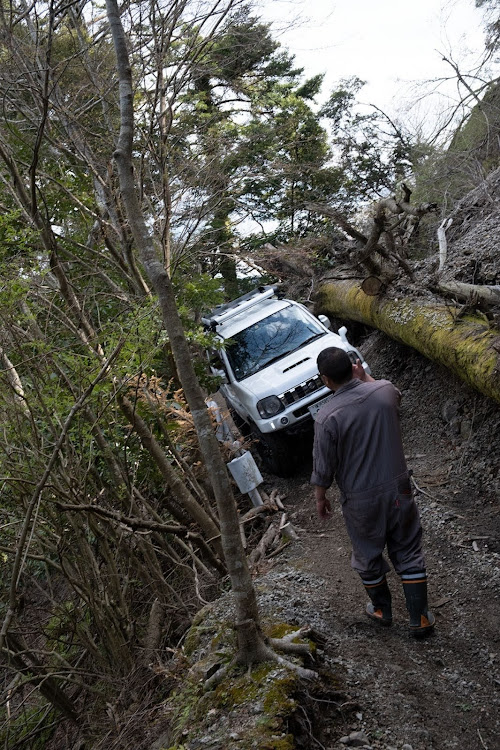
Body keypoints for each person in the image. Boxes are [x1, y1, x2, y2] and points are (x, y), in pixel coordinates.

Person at [310, 346, 435, 637]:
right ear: (354, 367)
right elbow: (394, 396)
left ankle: (382, 610)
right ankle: (420, 619)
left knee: (367, 552)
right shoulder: (384, 391)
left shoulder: (327, 417)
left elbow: (323, 465)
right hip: (398, 488)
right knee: (407, 548)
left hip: (360, 499)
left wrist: (320, 496)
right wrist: (365, 376)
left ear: (325, 379)